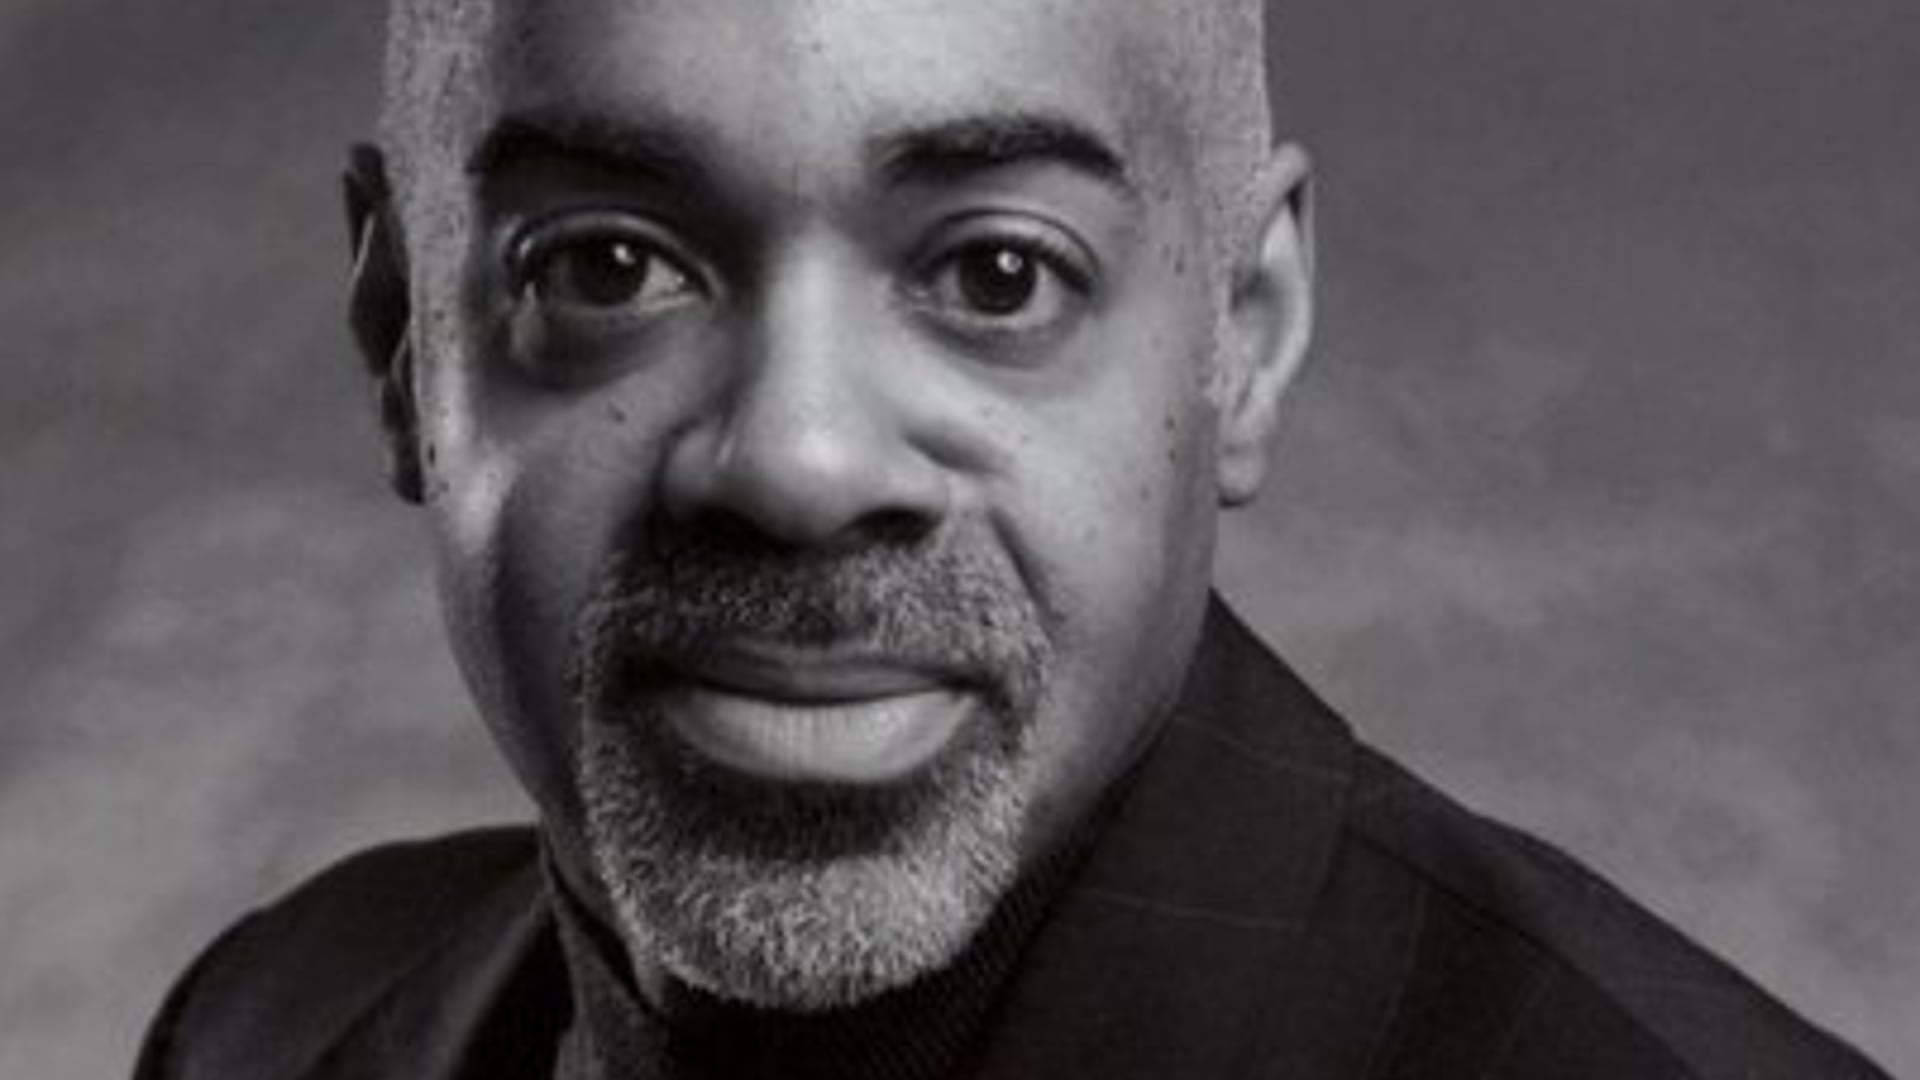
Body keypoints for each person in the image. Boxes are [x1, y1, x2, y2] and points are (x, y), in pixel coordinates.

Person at [134, 1, 1891, 1077]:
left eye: (996, 274)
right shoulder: (270, 1027)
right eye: (607, 266)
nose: (803, 462)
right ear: (401, 337)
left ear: (1244, 339)